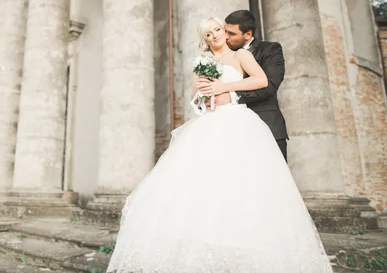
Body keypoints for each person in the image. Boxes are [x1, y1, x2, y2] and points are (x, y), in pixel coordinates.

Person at [106, 17, 332, 273]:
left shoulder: (241, 56)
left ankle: (247, 248)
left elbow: (260, 81)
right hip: (210, 123)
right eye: (208, 33)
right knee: (206, 183)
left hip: (238, 121)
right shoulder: (203, 62)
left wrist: (224, 87)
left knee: (242, 182)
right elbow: (196, 97)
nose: (214, 35)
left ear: (224, 33)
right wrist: (204, 95)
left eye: (217, 30)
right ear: (204, 39)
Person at [197, 10, 289, 161]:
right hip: (229, 128)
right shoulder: (219, 57)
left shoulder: (270, 50)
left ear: (247, 34)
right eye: (224, 31)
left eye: (231, 34)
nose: (225, 36)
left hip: (266, 123)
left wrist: (230, 96)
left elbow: (269, 86)